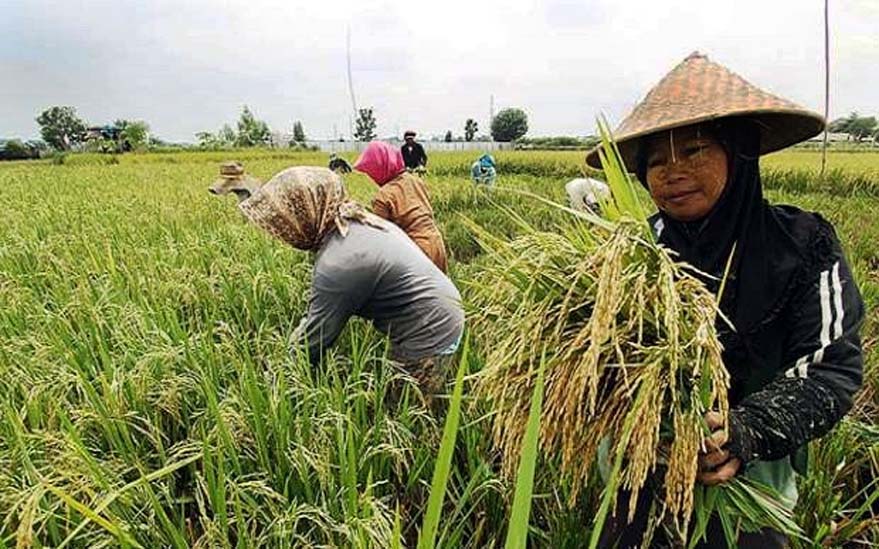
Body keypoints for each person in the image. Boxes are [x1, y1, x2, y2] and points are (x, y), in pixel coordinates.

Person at [585, 52, 864, 548]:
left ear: (739, 155)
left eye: (694, 150)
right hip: (641, 476)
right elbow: (592, 360)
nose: (672, 171)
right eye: (655, 161)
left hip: (748, 488)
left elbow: (831, 368)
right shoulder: (632, 253)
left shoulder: (803, 245)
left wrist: (745, 430)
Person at [234, 166, 464, 395]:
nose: (282, 234)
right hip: (445, 310)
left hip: (431, 332)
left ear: (304, 216)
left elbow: (314, 340)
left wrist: (274, 382)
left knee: (401, 410)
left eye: (284, 224)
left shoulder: (339, 262)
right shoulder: (359, 220)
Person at [354, 141, 449, 272]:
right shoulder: (415, 180)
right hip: (437, 243)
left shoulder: (384, 196)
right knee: (439, 290)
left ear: (381, 167)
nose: (372, 178)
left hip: (415, 251)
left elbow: (379, 236)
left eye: (373, 172)